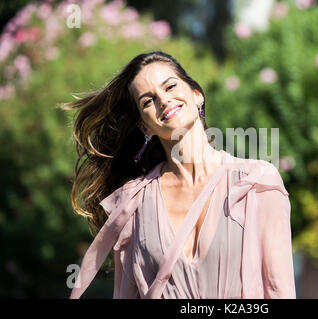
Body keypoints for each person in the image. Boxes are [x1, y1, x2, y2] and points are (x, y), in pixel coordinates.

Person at [64, 51, 295, 299]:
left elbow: (278, 288)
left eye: (170, 86)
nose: (163, 100)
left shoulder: (256, 183)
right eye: (147, 101)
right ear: (144, 126)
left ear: (197, 95)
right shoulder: (133, 203)